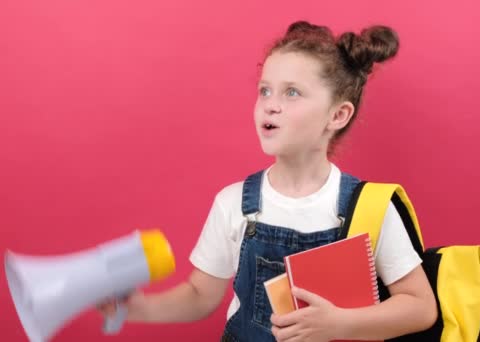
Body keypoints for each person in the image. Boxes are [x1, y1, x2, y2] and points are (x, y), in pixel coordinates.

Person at [98, 20, 437, 342]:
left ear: (338, 115)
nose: (270, 105)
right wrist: (140, 308)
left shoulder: (369, 208)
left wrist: (339, 323)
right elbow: (200, 295)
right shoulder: (234, 203)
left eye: (292, 93)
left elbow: (420, 307)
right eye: (265, 90)